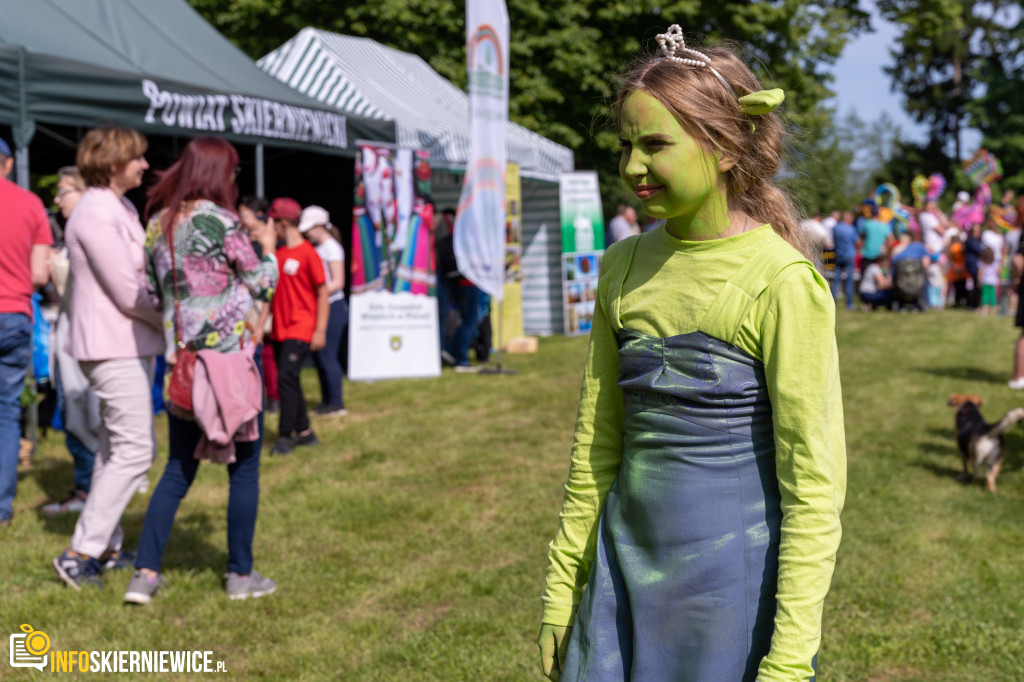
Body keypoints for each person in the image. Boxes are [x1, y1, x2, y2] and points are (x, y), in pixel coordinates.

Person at [538, 26, 846, 682]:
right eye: (626, 145)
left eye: (654, 145)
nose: (632, 167)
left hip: (730, 600)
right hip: (620, 582)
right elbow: (596, 444)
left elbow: (813, 485)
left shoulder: (780, 280)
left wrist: (789, 657)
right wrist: (563, 587)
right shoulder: (622, 266)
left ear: (725, 146)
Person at [123, 137, 279, 604]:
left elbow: (152, 295)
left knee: (176, 470)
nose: (233, 180)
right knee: (245, 470)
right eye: (231, 172)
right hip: (229, 364)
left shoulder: (157, 225)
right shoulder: (223, 221)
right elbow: (261, 283)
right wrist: (268, 250)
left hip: (183, 368)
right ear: (218, 174)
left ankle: (144, 576)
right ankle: (239, 576)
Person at [52, 127, 163, 588]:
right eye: (137, 158)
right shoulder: (96, 211)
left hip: (128, 342)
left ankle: (109, 543)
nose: (144, 165)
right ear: (115, 162)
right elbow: (126, 290)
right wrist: (172, 315)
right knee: (137, 450)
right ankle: (81, 551)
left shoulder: (119, 207)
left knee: (114, 449)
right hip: (111, 344)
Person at [0, 137, 53, 529]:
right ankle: (1, 509)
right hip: (14, 315)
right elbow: (40, 274)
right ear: (8, 163)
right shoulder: (31, 203)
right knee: (6, 414)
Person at [42, 167, 100, 516]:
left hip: (86, 337)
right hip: (71, 334)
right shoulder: (73, 236)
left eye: (63, 192)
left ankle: (91, 489)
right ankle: (87, 486)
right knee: (76, 411)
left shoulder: (91, 231)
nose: (57, 199)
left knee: (85, 412)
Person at [267, 198, 327, 455]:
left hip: (301, 327)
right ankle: (305, 431)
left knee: (285, 380)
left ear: (282, 224)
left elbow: (323, 292)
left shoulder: (308, 254)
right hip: (281, 329)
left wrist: (320, 330)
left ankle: (285, 436)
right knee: (290, 380)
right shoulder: (278, 255)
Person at [298, 205, 348, 416]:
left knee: (328, 356)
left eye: (309, 228)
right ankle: (327, 401)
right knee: (320, 356)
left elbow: (338, 282)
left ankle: (336, 403)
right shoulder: (317, 248)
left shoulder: (332, 249)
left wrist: (317, 292)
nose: (306, 232)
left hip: (333, 307)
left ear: (320, 226)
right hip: (321, 305)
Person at [239, 196, 280, 413]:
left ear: (259, 215)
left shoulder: (270, 245)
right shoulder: (243, 241)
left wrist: (263, 319)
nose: (240, 218)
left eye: (244, 213)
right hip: (250, 309)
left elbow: (267, 286)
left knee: (265, 353)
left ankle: (271, 397)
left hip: (266, 306)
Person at [831, 210, 859, 310]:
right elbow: (857, 242)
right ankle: (849, 304)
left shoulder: (836, 228)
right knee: (849, 280)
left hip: (838, 255)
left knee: (836, 279)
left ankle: (832, 302)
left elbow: (834, 240)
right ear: (848, 219)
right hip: (849, 255)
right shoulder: (851, 229)